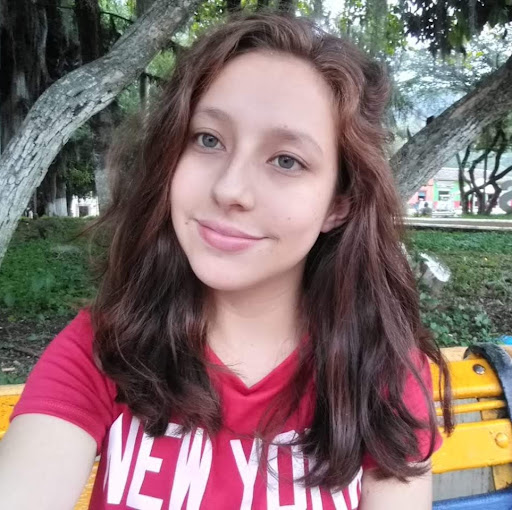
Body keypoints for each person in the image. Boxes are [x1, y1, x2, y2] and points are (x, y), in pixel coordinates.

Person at [0, 11, 453, 510]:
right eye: (208, 139)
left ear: (338, 204)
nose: (230, 189)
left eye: (287, 160)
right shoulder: (103, 349)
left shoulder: (380, 373)